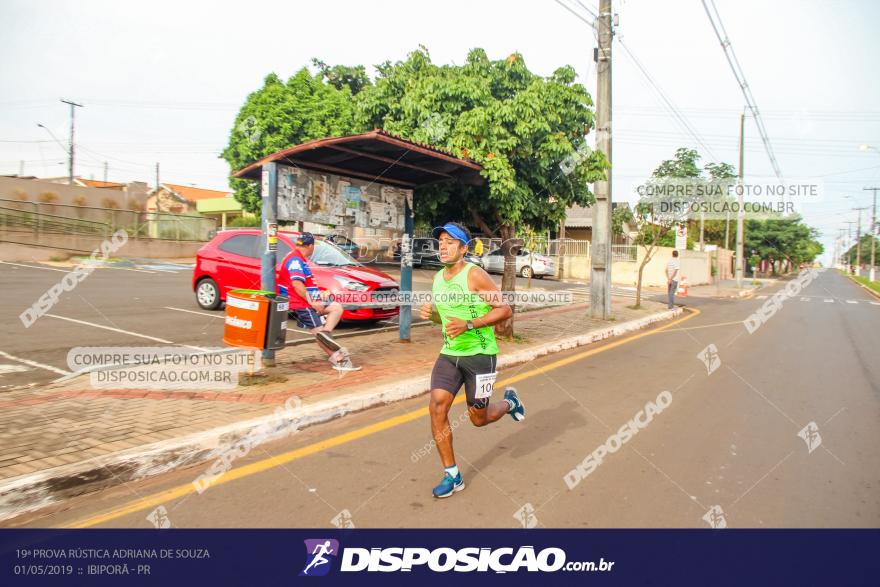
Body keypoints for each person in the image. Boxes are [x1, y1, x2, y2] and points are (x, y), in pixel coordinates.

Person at [419, 222, 524, 499]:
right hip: (449, 353)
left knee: (479, 418)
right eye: (440, 240)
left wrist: (469, 324)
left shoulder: (474, 275)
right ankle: (452, 475)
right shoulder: (439, 278)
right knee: (437, 407)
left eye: (450, 241)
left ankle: (510, 402)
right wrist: (433, 316)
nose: (443, 245)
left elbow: (504, 309)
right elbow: (446, 320)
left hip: (480, 356)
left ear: (464, 248)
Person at [278, 232, 360, 371]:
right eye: (313, 246)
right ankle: (339, 361)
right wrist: (313, 302)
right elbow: (297, 285)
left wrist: (318, 297)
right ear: (310, 246)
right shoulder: (295, 260)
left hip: (310, 300)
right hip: (302, 304)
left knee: (336, 308)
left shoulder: (299, 258)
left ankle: (325, 334)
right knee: (318, 332)